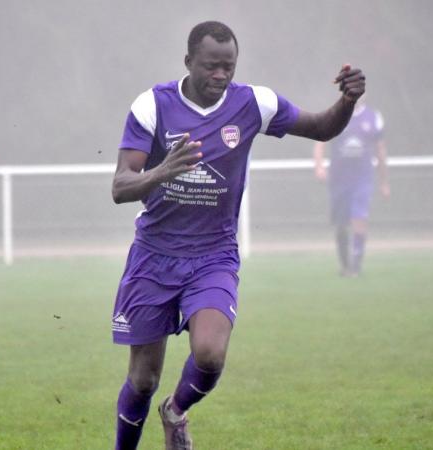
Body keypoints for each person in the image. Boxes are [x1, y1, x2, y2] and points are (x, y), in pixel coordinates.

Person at [110, 21, 365, 450]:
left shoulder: (253, 103)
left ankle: (175, 413)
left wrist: (347, 100)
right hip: (154, 256)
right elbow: (120, 186)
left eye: (229, 67)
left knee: (209, 354)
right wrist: (164, 170)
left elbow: (322, 128)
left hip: (213, 255)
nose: (221, 76)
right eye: (211, 66)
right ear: (189, 61)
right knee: (142, 379)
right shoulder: (152, 106)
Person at [313, 96, 389, 277]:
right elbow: (320, 141)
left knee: (359, 219)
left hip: (362, 179)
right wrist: (319, 165)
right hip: (338, 180)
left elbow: (381, 150)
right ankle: (345, 265)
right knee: (341, 225)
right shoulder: (336, 114)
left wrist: (384, 181)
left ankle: (356, 266)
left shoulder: (373, 117)